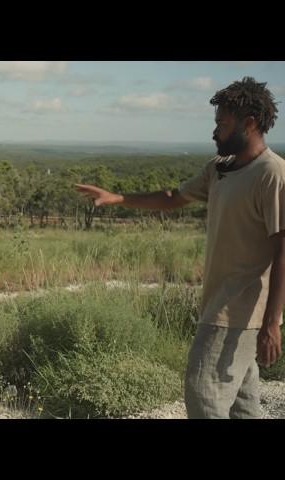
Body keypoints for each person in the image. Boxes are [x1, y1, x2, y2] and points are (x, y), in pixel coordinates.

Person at [76, 77, 283, 419]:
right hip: (219, 304)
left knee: (203, 396)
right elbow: (174, 197)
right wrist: (118, 197)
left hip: (236, 313)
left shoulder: (272, 174)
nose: (214, 131)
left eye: (222, 124)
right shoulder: (220, 169)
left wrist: (273, 321)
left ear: (249, 124)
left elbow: (282, 251)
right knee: (243, 407)